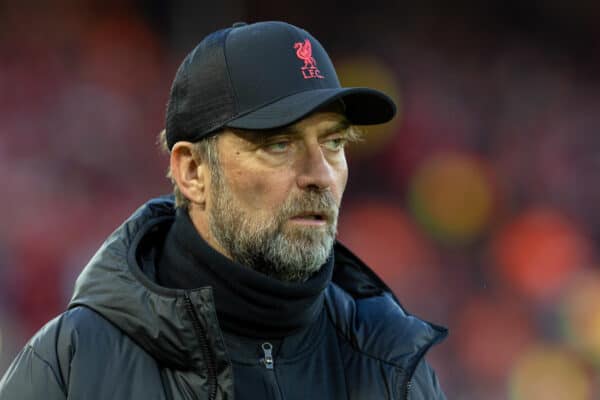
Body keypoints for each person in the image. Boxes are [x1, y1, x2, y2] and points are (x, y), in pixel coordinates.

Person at [0, 21, 447, 399]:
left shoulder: (392, 362)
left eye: (333, 143)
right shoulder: (75, 363)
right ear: (193, 171)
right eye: (279, 143)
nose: (321, 175)